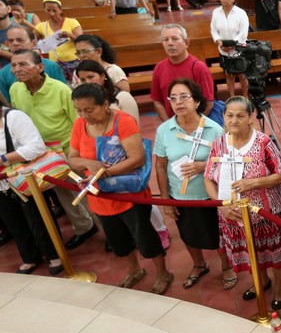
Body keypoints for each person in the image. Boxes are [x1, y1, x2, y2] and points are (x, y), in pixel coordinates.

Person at [68, 84, 172, 293]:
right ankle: (134, 269)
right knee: (118, 239)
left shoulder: (123, 121)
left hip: (128, 195)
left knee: (144, 237)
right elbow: (72, 158)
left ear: (105, 104)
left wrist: (105, 172)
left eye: (89, 110)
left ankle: (163, 273)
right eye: (79, 110)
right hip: (100, 196)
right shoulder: (80, 124)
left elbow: (137, 158)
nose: (84, 115)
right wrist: (89, 165)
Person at [205, 96, 281, 307]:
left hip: (266, 215)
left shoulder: (263, 142)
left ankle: (279, 287)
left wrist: (253, 183)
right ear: (224, 117)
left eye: (240, 115)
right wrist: (221, 205)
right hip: (233, 215)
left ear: (250, 118)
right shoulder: (219, 144)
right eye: (230, 115)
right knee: (252, 252)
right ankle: (262, 280)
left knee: (273, 252)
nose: (234, 120)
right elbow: (208, 177)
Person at [9, 50, 97, 250]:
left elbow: (79, 123)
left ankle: (108, 233)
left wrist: (78, 155)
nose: (17, 69)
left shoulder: (60, 90)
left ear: (40, 67)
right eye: (14, 65)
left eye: (23, 64)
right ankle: (84, 228)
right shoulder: (15, 89)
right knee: (64, 196)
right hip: (42, 156)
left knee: (86, 194)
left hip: (68, 150)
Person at [155, 79, 233, 290]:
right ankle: (199, 264)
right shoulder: (164, 130)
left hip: (209, 194)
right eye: (173, 98)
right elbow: (161, 166)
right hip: (180, 195)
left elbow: (226, 161)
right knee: (188, 233)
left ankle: (227, 266)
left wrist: (203, 166)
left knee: (218, 233)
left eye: (184, 97)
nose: (178, 102)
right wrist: (165, 200)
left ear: (197, 101)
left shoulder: (213, 129)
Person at [0, 103, 62, 275]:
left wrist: (4, 159)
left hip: (25, 178)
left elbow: (36, 146)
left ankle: (54, 253)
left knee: (38, 217)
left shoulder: (13, 117)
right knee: (14, 222)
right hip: (2, 183)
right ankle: (30, 256)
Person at [150, 24, 215, 121]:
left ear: (186, 42)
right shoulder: (159, 68)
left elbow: (208, 103)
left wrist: (191, 124)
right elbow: (157, 101)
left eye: (175, 39)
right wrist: (169, 125)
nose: (170, 43)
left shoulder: (198, 67)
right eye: (165, 40)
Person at [0, 26, 66, 105]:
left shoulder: (51, 66)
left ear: (33, 43)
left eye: (20, 40)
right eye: (11, 41)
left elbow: (64, 96)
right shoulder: (3, 73)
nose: (15, 43)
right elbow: (9, 103)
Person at [26, 0, 82, 80]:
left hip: (74, 62)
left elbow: (82, 41)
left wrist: (70, 35)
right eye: (48, 10)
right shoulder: (42, 26)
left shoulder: (72, 22)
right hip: (56, 64)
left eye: (54, 10)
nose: (51, 13)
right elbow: (30, 41)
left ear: (60, 10)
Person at [211, 0, 250, 97]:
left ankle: (246, 97)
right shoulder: (216, 12)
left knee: (242, 75)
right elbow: (213, 30)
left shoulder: (241, 13)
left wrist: (232, 44)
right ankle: (232, 97)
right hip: (223, 49)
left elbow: (243, 33)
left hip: (238, 49)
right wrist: (219, 42)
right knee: (229, 75)